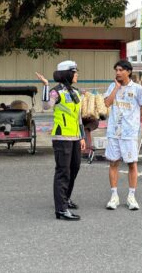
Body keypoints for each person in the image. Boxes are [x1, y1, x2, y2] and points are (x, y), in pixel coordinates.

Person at [36, 60, 85, 221]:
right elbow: (45, 106)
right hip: (62, 137)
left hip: (75, 137)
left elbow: (78, 118)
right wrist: (45, 86)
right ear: (68, 74)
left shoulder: (76, 92)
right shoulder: (56, 92)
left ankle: (65, 198)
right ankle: (61, 210)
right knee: (63, 172)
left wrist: (82, 136)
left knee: (75, 168)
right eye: (75, 72)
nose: (77, 74)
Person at [103, 60, 142, 211]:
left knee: (132, 163)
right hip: (113, 132)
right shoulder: (112, 86)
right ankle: (114, 196)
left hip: (129, 133)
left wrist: (135, 122)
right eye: (116, 70)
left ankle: (131, 196)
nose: (117, 72)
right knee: (113, 163)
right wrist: (116, 88)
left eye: (121, 70)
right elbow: (107, 104)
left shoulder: (137, 89)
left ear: (128, 71)